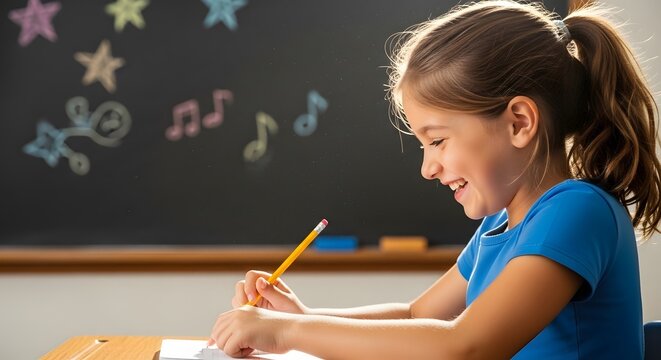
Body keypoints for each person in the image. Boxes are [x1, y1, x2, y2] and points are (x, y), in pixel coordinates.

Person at [208, 1, 661, 358]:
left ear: (519, 122)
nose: (427, 167)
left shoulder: (578, 210)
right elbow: (417, 314)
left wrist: (288, 331)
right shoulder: (501, 224)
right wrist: (304, 317)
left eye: (438, 140)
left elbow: (465, 346)